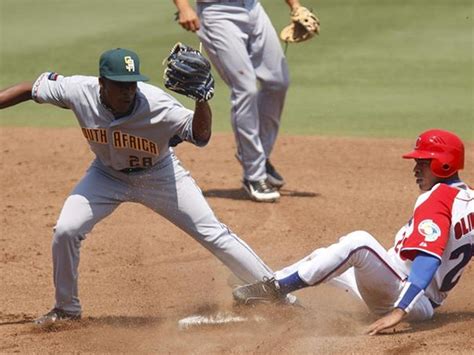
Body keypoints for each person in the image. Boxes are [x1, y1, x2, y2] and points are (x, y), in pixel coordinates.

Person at [0, 48, 285, 326]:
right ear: (102, 83)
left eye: (132, 84)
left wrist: (201, 101)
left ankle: (274, 290)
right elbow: (30, 89)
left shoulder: (158, 104)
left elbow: (200, 136)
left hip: (159, 175)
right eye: (120, 85)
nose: (128, 91)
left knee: (212, 231)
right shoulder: (78, 90)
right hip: (106, 175)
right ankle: (66, 309)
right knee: (66, 230)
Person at [232, 129, 473, 335]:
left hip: (404, 295)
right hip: (402, 288)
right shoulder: (469, 201)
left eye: (423, 163)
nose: (415, 169)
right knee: (323, 257)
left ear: (444, 163)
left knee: (359, 243)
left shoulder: (437, 199)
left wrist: (400, 310)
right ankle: (273, 291)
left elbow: (429, 258)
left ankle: (271, 291)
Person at [173, 0, 320, 202]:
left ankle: (259, 157)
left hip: (252, 8)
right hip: (217, 13)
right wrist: (183, 7)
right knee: (245, 87)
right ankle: (254, 174)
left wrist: (295, 6)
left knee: (278, 81)